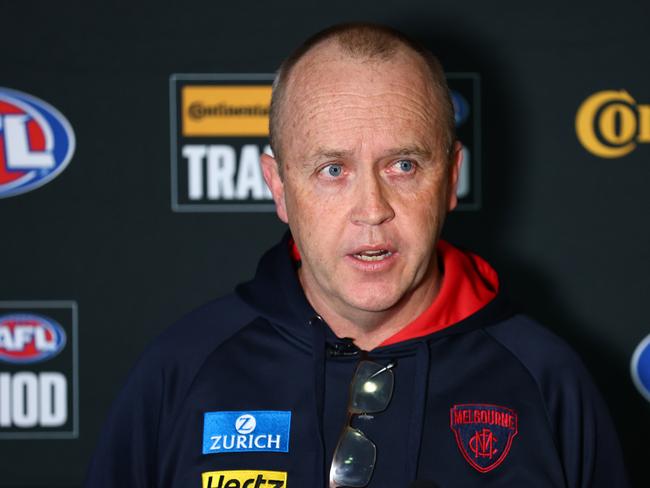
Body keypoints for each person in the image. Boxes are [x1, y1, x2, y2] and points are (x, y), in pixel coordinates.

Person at [85, 23, 629, 488]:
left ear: (451, 178)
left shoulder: (548, 380)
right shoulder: (180, 373)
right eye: (333, 169)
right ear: (278, 187)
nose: (372, 209)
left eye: (404, 166)